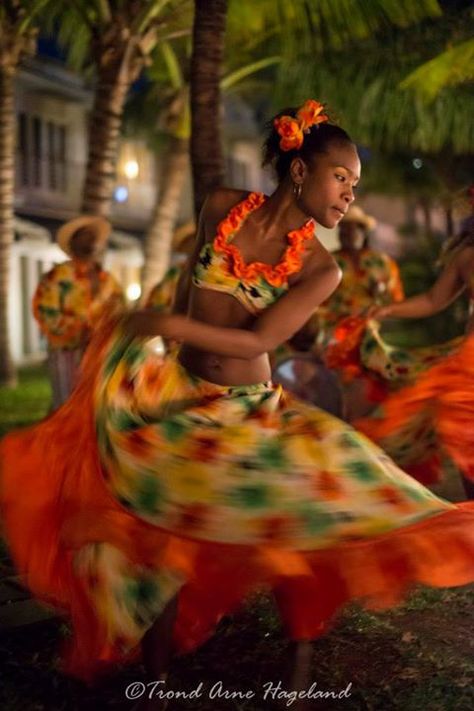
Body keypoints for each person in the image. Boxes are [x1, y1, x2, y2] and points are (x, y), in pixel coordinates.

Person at [2, 100, 474, 711]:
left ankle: (296, 683)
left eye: (356, 187)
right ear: (299, 169)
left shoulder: (320, 267)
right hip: (181, 393)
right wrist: (162, 339)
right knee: (156, 524)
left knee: (292, 529)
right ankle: (159, 682)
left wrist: (166, 320)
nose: (350, 197)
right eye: (342, 179)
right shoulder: (222, 205)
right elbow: (185, 281)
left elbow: (256, 341)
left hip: (246, 410)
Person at [356, 214, 474, 497]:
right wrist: (388, 310)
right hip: (470, 368)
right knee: (466, 447)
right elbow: (433, 300)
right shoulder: (467, 257)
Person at [32, 215, 124, 409]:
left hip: (101, 354)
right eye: (84, 236)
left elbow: (120, 312)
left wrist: (108, 337)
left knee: (97, 410)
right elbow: (46, 313)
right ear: (73, 242)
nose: (91, 241)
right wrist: (80, 333)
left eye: (93, 236)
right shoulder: (56, 277)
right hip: (67, 353)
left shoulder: (108, 280)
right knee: (67, 407)